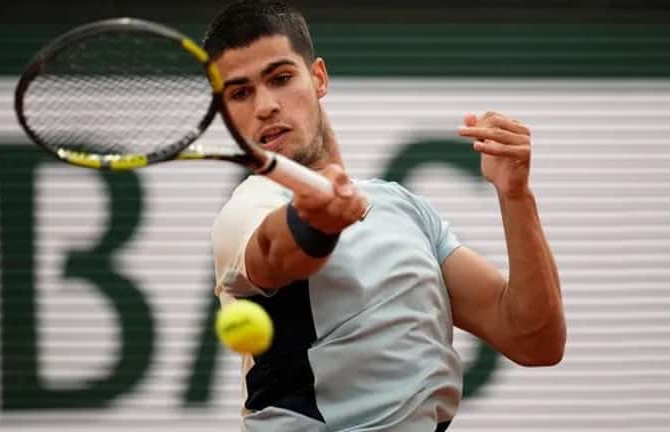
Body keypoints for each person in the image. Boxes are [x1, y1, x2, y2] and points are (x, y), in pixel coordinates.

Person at [206, 1, 566, 430]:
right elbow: (275, 252)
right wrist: (318, 221)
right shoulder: (247, 208)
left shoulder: (404, 209)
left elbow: (534, 340)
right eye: (240, 93)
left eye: (281, 79)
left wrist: (516, 195)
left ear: (318, 78)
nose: (265, 106)